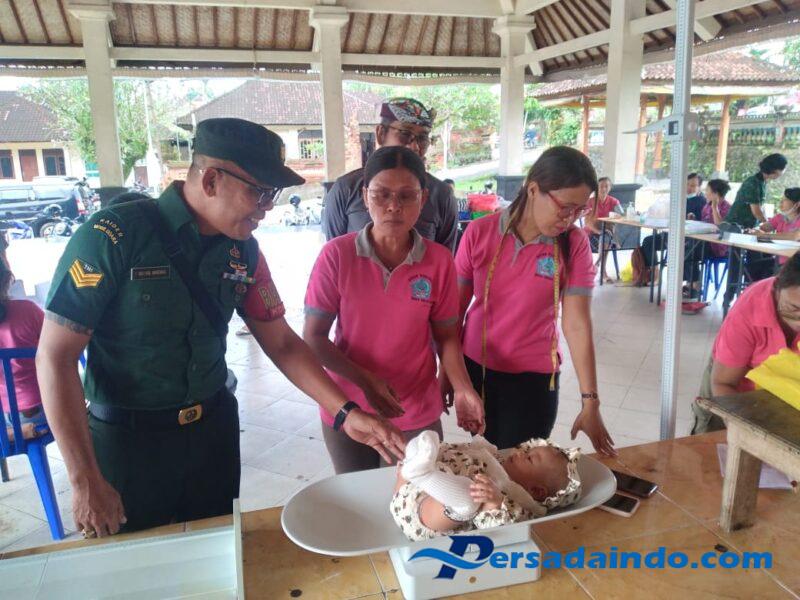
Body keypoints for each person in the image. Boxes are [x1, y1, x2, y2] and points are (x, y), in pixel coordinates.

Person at [37, 118, 406, 537]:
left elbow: (282, 343)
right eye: (259, 192)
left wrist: (345, 413)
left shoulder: (244, 252)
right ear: (211, 179)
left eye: (272, 194)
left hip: (212, 435)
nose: (267, 207)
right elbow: (55, 357)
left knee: (217, 549)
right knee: (133, 560)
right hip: (126, 442)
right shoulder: (114, 236)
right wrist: (84, 478)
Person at [304, 146, 484, 474]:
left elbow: (446, 337)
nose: (393, 206)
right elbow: (313, 339)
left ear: (423, 198)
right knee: (355, 495)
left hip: (414, 406)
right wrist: (365, 380)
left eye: (406, 195)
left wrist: (463, 387)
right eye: (381, 194)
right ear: (365, 196)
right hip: (347, 405)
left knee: (416, 495)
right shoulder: (337, 256)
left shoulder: (439, 261)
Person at [447, 146, 616, 455]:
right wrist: (448, 375)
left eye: (580, 210)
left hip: (536, 377)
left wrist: (590, 401)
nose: (570, 218)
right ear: (533, 189)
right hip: (478, 369)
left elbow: (577, 324)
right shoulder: (479, 232)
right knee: (486, 459)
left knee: (525, 464)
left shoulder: (573, 244)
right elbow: (454, 314)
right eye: (565, 207)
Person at [322, 97, 458, 252]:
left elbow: (445, 259)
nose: (414, 146)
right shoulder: (346, 189)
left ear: (423, 198)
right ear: (381, 134)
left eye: (422, 138)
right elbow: (335, 253)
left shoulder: (441, 195)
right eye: (405, 133)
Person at [391, 431, 581, 541]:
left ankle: (422, 473)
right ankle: (418, 467)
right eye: (526, 450)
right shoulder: (496, 460)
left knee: (470, 498)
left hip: (425, 518)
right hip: (409, 489)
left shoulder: (518, 504)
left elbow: (495, 527)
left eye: (529, 458)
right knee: (427, 441)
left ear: (536, 490)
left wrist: (493, 502)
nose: (520, 453)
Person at [709, 253, 800, 396]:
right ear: (777, 287)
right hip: (736, 390)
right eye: (793, 307)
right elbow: (723, 383)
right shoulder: (748, 311)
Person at [723, 153, 788, 306]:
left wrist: (766, 224)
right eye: (783, 169)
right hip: (736, 228)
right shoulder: (752, 183)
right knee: (736, 265)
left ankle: (751, 297)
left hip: (749, 229)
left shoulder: (762, 182)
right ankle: (729, 298)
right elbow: (756, 211)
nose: (783, 172)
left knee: (756, 262)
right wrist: (768, 225)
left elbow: (759, 209)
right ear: (775, 170)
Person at [0, 256, 49, 440]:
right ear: (7, 280)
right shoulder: (28, 310)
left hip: (3, 417)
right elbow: (56, 351)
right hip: (39, 410)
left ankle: (11, 437)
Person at [641, 172, 706, 270]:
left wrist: (694, 219)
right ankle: (654, 272)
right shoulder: (678, 198)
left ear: (699, 187)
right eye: (687, 184)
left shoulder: (702, 202)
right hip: (670, 235)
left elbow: (703, 223)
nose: (689, 188)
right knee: (648, 242)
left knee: (687, 252)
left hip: (689, 239)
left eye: (693, 186)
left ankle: (690, 279)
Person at [682, 179, 732, 299]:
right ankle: (692, 283)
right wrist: (694, 219)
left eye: (708, 190)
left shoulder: (727, 207)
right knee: (685, 249)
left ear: (715, 193)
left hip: (717, 246)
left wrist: (715, 208)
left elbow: (720, 226)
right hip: (703, 242)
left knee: (689, 251)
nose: (705, 193)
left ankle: (695, 285)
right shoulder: (706, 205)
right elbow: (705, 224)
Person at [583, 176, 622, 283]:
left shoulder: (614, 201)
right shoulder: (590, 201)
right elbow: (587, 222)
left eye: (606, 186)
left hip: (607, 232)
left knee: (606, 237)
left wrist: (617, 216)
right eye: (601, 186)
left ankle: (600, 267)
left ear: (610, 187)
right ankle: (601, 269)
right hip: (591, 232)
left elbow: (621, 216)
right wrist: (599, 231)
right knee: (605, 237)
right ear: (597, 187)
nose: (604, 189)